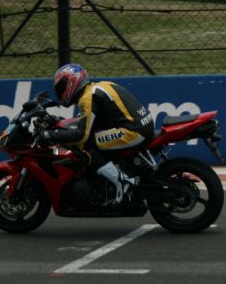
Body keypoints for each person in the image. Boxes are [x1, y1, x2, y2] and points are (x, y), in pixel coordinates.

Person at [41, 63, 154, 206]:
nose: (60, 92)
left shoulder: (87, 98)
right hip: (141, 125)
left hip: (134, 131)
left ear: (72, 82)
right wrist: (58, 123)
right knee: (94, 138)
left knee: (85, 144)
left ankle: (123, 181)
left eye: (62, 87)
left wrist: (50, 135)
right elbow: (85, 120)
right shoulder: (96, 88)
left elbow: (81, 135)